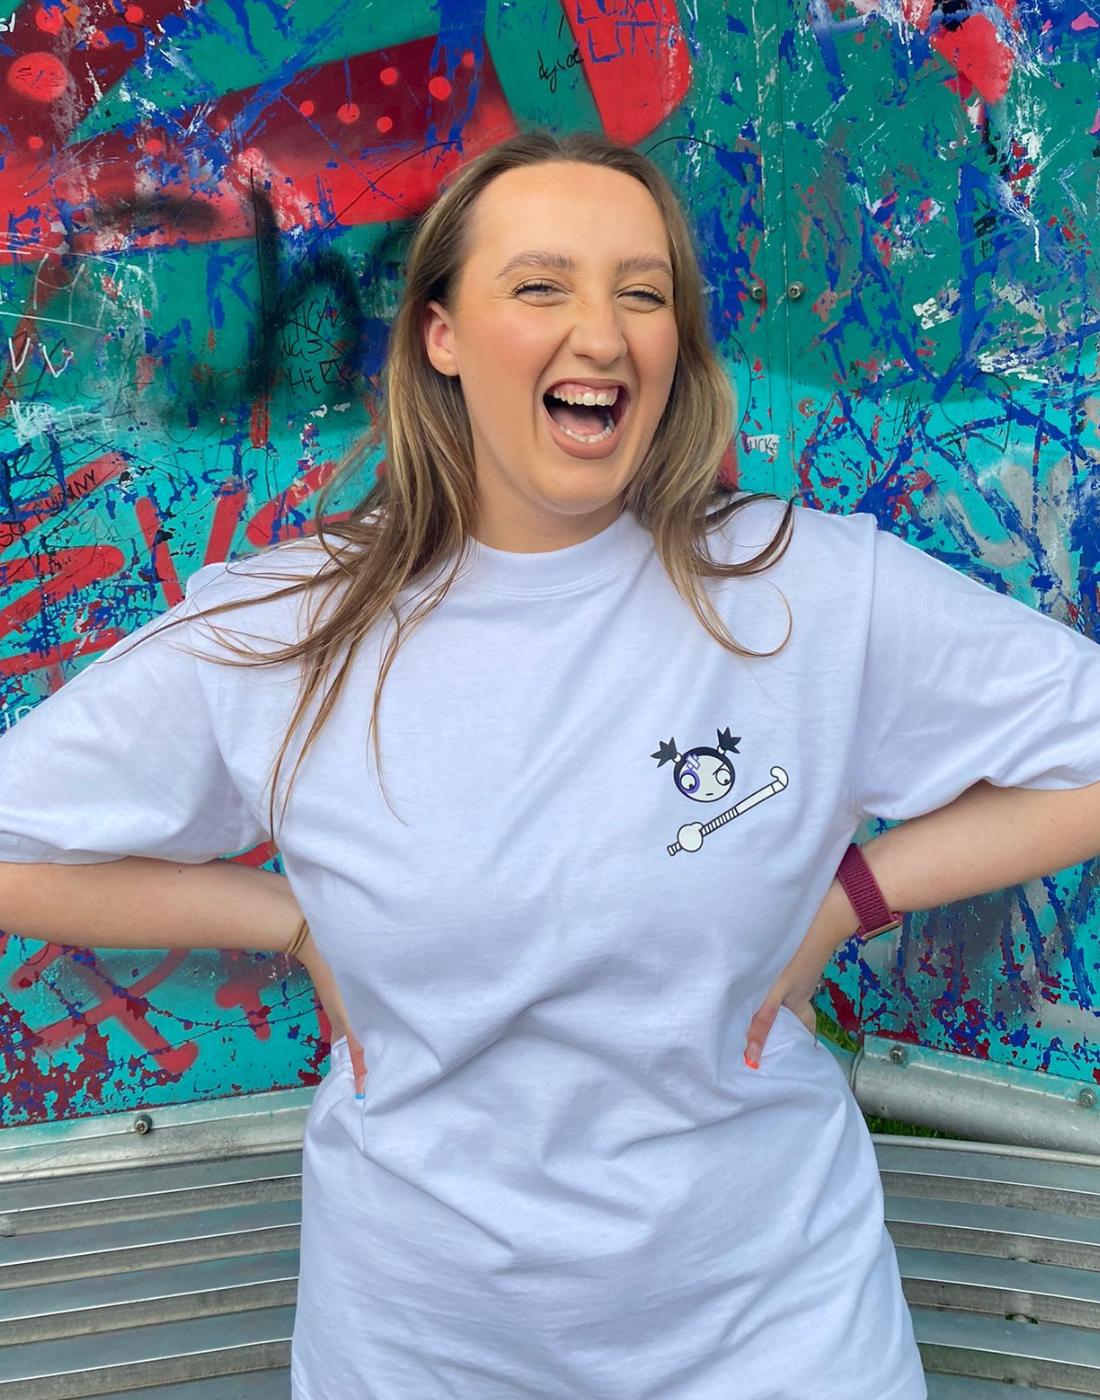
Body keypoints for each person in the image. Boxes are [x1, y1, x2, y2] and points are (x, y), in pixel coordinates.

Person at [0, 128, 1099, 1400]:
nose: (601, 333)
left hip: (779, 1335)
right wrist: (283, 919)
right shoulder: (289, 626)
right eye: (540, 286)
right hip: (419, 1347)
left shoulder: (807, 587)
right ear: (440, 334)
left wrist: (857, 893)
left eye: (642, 293)